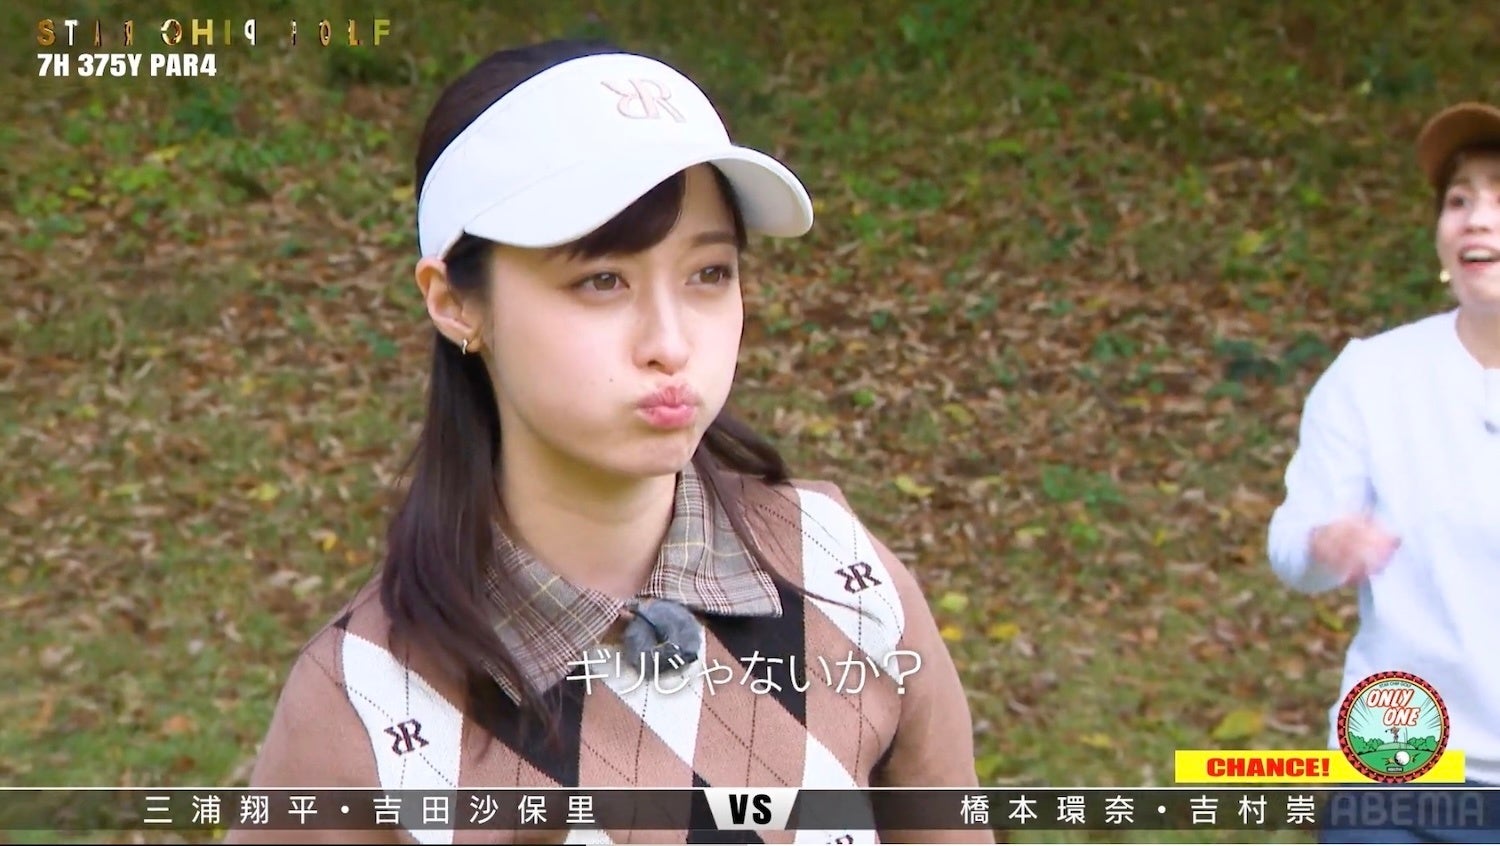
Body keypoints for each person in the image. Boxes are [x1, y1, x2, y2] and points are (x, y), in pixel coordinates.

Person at [225, 39, 988, 845]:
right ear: (454, 302)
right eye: (601, 280)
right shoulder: (365, 704)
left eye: (709, 274)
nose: (670, 343)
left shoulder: (840, 573)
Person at [1267, 101, 1500, 843]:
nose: (1477, 219)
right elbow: (1293, 543)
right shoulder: (1373, 375)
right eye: (1459, 200)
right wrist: (1325, 544)